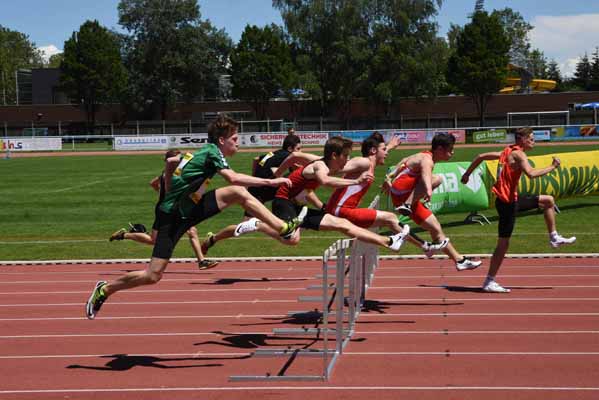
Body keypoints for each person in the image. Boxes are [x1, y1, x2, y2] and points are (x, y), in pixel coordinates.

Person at [85, 114, 305, 319]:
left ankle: (282, 227)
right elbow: (233, 178)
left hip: (192, 208)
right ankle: (105, 289)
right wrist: (271, 181)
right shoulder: (211, 152)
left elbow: (171, 163)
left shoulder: (207, 152)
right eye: (235, 138)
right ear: (221, 140)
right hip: (172, 217)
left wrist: (171, 179)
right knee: (153, 275)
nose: (238, 143)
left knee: (237, 194)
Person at [234, 136, 411, 251]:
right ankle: (257, 223)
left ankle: (389, 242)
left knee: (342, 224)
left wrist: (279, 173)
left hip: (297, 205)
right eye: (346, 156)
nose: (348, 160)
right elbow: (326, 182)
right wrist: (355, 181)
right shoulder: (320, 166)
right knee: (292, 240)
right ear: (335, 155)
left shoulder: (323, 160)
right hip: (283, 201)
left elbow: (294, 157)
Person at [461, 127, 576, 293]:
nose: (533, 141)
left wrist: (467, 174)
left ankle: (554, 237)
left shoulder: (507, 151)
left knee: (549, 201)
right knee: (503, 244)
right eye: (531, 138)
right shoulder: (519, 154)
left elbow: (481, 156)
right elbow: (531, 174)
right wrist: (553, 167)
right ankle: (489, 281)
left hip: (508, 200)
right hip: (508, 203)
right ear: (521, 139)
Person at [324, 132, 448, 255]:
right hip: (340, 210)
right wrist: (321, 169)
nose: (387, 153)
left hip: (344, 210)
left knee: (390, 220)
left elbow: (376, 153)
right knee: (390, 218)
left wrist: (390, 146)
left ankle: (426, 247)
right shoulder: (363, 162)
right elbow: (335, 169)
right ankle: (426, 247)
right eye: (384, 150)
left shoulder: (370, 162)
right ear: (373, 150)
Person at [200, 134, 319, 255]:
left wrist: (254, 178)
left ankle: (213, 239)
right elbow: (291, 172)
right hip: (262, 192)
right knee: (296, 190)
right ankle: (289, 222)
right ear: (290, 149)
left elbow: (256, 159)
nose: (300, 152)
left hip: (258, 190)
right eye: (298, 149)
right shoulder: (288, 156)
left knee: (244, 226)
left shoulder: (275, 153)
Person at [384, 133, 482, 271]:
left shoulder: (423, 155)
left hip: (405, 194)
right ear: (440, 149)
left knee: (435, 228)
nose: (452, 152)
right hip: (402, 194)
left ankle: (459, 260)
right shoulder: (427, 160)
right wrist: (429, 192)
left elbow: (404, 159)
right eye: (450, 149)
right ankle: (406, 204)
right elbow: (426, 176)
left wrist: (390, 175)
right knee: (437, 179)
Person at [109, 150, 218, 270]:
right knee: (153, 240)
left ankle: (201, 261)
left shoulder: (175, 174)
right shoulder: (170, 175)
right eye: (178, 158)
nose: (181, 161)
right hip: (166, 211)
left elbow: (153, 183)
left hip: (177, 209)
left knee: (192, 231)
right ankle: (125, 235)